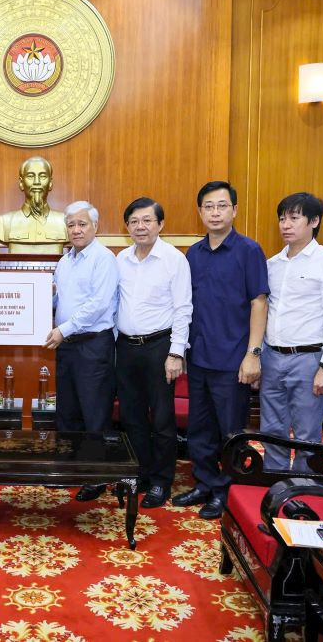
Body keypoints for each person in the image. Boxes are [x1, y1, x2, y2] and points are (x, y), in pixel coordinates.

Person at [173, 181, 269, 520]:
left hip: (233, 359)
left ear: (234, 210)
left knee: (231, 431)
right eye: (209, 207)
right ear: (200, 212)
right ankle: (204, 483)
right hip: (199, 356)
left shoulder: (249, 250)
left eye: (222, 206)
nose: (215, 213)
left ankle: (226, 491)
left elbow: (259, 302)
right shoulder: (193, 254)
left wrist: (253, 353)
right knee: (200, 428)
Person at [260, 192, 323, 472]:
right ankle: (274, 481)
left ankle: (301, 486)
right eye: (282, 219)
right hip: (272, 356)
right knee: (271, 429)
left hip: (309, 359)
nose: (286, 225)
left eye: (294, 218)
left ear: (314, 221)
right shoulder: (272, 264)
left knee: (307, 433)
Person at [115, 197, 192, 508]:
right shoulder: (121, 259)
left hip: (160, 347)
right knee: (131, 416)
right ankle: (141, 474)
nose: (140, 226)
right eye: (134, 221)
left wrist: (176, 353)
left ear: (160, 224)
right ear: (127, 227)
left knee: (161, 418)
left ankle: (161, 481)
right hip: (126, 347)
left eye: (147, 220)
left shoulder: (174, 260)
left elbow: (183, 309)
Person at [46, 200, 118, 501]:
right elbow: (58, 301)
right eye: (71, 225)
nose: (76, 230)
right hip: (67, 346)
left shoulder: (104, 259)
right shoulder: (65, 261)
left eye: (82, 224)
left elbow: (98, 304)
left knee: (94, 413)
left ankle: (95, 476)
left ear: (95, 226)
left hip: (92, 345)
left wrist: (63, 329)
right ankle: (69, 470)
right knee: (67, 412)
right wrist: (41, 300)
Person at [0, 156, 68, 253]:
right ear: (21, 183)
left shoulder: (65, 222)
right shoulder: (3, 222)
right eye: (30, 176)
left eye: (43, 176)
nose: (37, 182)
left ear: (50, 183)